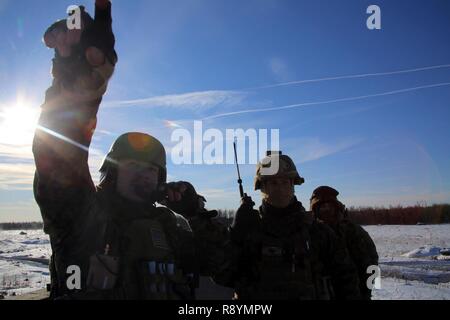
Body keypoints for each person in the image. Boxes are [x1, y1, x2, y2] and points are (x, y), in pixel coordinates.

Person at [33, 1, 226, 300]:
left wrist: (196, 215)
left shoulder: (169, 227)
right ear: (112, 171)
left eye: (151, 169)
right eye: (134, 166)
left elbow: (224, 266)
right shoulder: (80, 215)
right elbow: (58, 154)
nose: (145, 176)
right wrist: (75, 91)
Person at [214, 151, 361, 300]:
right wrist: (235, 235)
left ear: (293, 185)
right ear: (263, 188)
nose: (280, 188)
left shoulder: (316, 231)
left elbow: (346, 279)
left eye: (285, 182)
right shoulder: (248, 231)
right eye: (273, 183)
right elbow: (221, 276)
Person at [310, 186, 379, 300]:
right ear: (315, 210)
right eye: (323, 207)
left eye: (330, 206)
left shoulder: (353, 231)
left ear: (336, 207)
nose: (327, 210)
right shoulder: (309, 233)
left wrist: (365, 292)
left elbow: (371, 263)